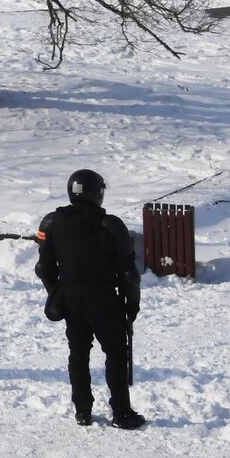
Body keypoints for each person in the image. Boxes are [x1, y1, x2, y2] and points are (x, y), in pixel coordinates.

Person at [36, 170, 146, 429]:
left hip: (72, 299)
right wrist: (132, 304)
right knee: (116, 355)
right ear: (97, 193)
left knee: (78, 354)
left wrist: (57, 293)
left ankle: (82, 410)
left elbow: (44, 268)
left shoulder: (50, 222)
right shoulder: (111, 224)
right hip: (105, 299)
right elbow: (129, 274)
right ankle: (121, 413)